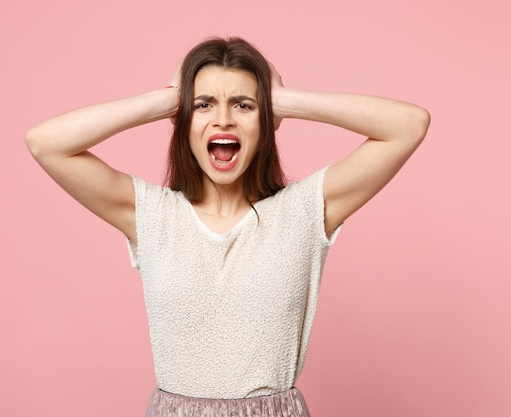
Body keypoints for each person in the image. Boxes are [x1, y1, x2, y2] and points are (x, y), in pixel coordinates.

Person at [25, 37, 430, 417]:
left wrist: (282, 101)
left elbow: (408, 124)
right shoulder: (151, 213)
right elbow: (46, 142)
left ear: (266, 121)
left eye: (243, 105)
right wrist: (166, 101)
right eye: (203, 105)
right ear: (183, 119)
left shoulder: (302, 211)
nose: (223, 120)